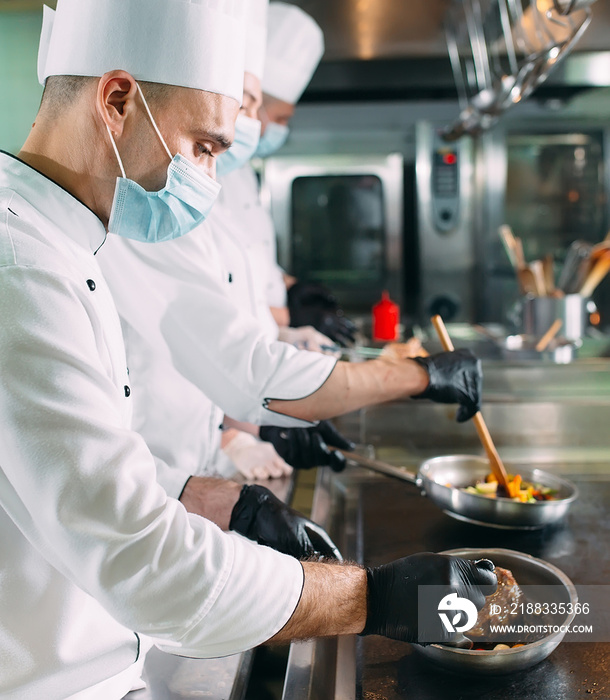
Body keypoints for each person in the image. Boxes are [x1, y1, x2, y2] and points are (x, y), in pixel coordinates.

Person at [0, 2, 498, 698]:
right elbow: (145, 563)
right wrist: (377, 597)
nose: (210, 176)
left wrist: (206, 497)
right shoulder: (20, 268)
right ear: (117, 100)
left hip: (106, 653)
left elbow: (67, 467)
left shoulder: (61, 243)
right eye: (204, 146)